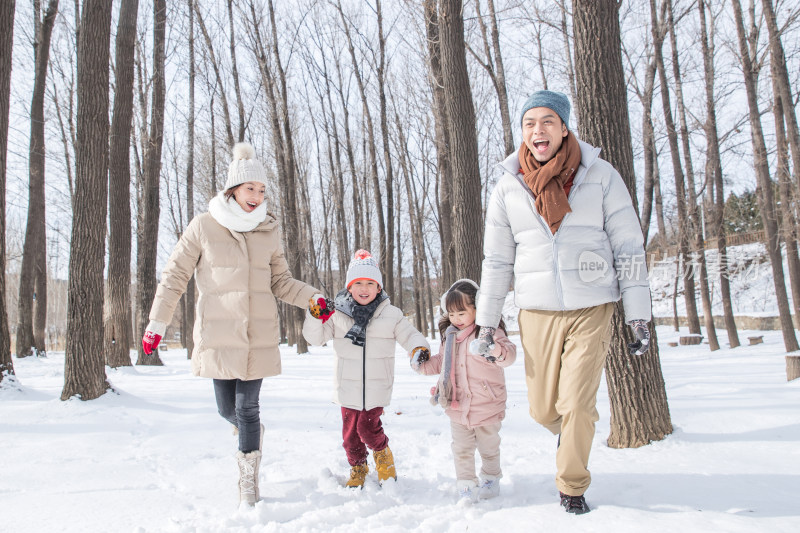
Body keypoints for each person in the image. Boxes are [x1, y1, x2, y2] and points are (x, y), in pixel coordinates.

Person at [472, 90, 652, 514]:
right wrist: (486, 323)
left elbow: (628, 246)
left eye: (548, 121)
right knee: (542, 410)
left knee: (577, 404)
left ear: (564, 127)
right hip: (536, 311)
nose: (538, 130)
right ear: (523, 131)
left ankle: (572, 486)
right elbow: (497, 261)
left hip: (593, 305)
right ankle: (571, 432)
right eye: (530, 122)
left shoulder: (601, 175)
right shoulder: (507, 186)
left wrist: (638, 315)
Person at [141, 142, 325, 507]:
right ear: (232, 190)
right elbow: (175, 275)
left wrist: (311, 298)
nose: (256, 196)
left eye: (261, 190)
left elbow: (281, 281)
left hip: (257, 336)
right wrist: (156, 323)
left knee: (246, 408)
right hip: (218, 335)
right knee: (227, 411)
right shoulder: (204, 226)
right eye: (250, 188)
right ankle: (251, 436)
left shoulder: (268, 230)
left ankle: (247, 481)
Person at [302, 249, 430, 489]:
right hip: (347, 388)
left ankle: (383, 457)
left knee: (367, 428)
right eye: (358, 283)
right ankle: (358, 467)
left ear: (378, 288)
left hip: (377, 386)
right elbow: (315, 339)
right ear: (349, 288)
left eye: (370, 283)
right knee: (350, 436)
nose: (364, 288)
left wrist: (418, 348)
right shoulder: (337, 314)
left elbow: (410, 335)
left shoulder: (391, 315)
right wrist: (314, 316)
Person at [410, 279, 516, 504]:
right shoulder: (449, 337)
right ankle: (466, 485)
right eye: (451, 314)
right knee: (462, 449)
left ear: (477, 309)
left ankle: (490, 477)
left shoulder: (489, 333)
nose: (456, 319)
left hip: (486, 404)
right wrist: (421, 365)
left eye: (461, 313)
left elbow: (509, 355)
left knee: (489, 447)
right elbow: (441, 363)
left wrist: (493, 348)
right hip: (457, 405)